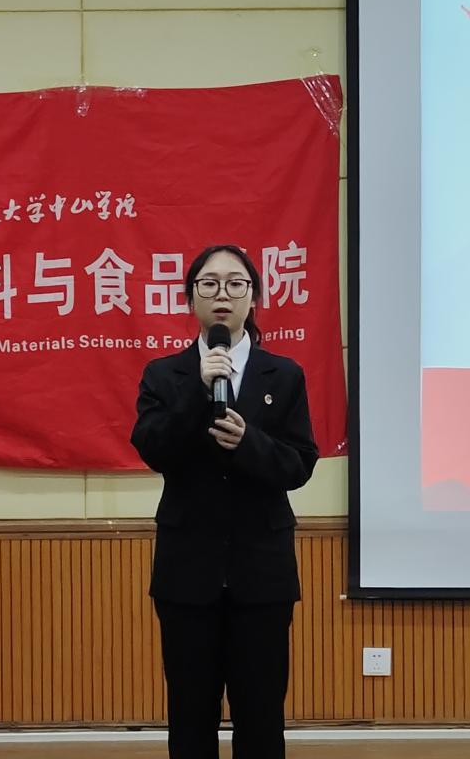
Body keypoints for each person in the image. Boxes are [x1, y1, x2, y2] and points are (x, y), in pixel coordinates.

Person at [131, 243, 319, 759]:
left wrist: (249, 443)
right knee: (190, 715)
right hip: (187, 572)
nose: (222, 294)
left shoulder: (284, 375)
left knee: (261, 716)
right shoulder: (164, 375)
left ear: (253, 297)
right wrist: (198, 392)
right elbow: (153, 449)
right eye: (209, 284)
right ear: (190, 297)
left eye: (236, 284)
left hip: (262, 573)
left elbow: (300, 463)